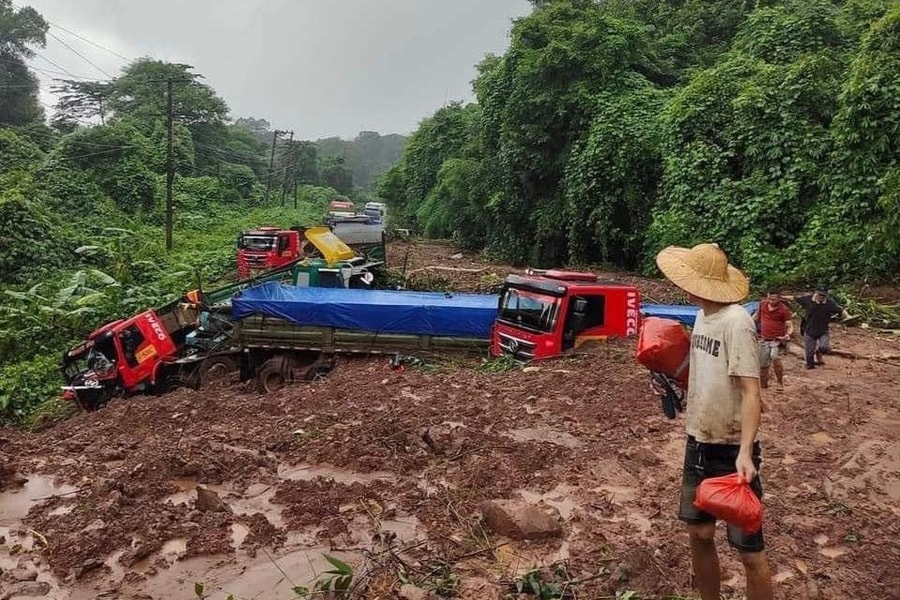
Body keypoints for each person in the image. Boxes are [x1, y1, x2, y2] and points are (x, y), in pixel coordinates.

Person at [656, 242, 772, 600]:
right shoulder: (703, 317)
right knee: (699, 534)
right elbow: (702, 373)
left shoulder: (737, 323)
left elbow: (752, 393)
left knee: (749, 549)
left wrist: (745, 454)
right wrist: (669, 375)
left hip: (730, 449)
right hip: (698, 442)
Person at [796, 287, 849, 369]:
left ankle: (818, 352)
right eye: (820, 295)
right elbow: (794, 298)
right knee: (809, 355)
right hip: (809, 330)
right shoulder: (807, 299)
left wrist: (847, 316)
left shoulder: (830, 303)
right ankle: (811, 366)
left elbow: (840, 310)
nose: (821, 297)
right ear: (816, 293)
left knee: (825, 348)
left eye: (823, 295)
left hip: (823, 330)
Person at [752, 289, 793, 391]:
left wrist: (787, 334)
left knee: (774, 357)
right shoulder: (762, 305)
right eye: (769, 298)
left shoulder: (784, 310)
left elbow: (789, 325)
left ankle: (780, 383)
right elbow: (756, 317)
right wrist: (747, 322)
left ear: (779, 299)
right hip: (764, 338)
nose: (770, 301)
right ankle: (763, 385)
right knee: (763, 364)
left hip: (777, 339)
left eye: (773, 299)